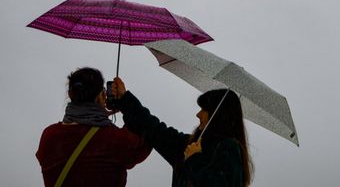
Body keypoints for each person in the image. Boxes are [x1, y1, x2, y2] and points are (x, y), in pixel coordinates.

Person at [111, 76, 253, 187]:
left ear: (219, 115)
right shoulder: (190, 145)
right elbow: (155, 129)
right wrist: (125, 99)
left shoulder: (229, 148)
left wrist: (193, 160)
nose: (198, 114)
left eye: (204, 109)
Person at [36, 67, 152, 187]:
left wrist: (100, 114)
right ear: (101, 96)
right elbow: (147, 133)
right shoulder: (115, 140)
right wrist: (126, 104)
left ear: (71, 94)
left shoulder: (49, 136)